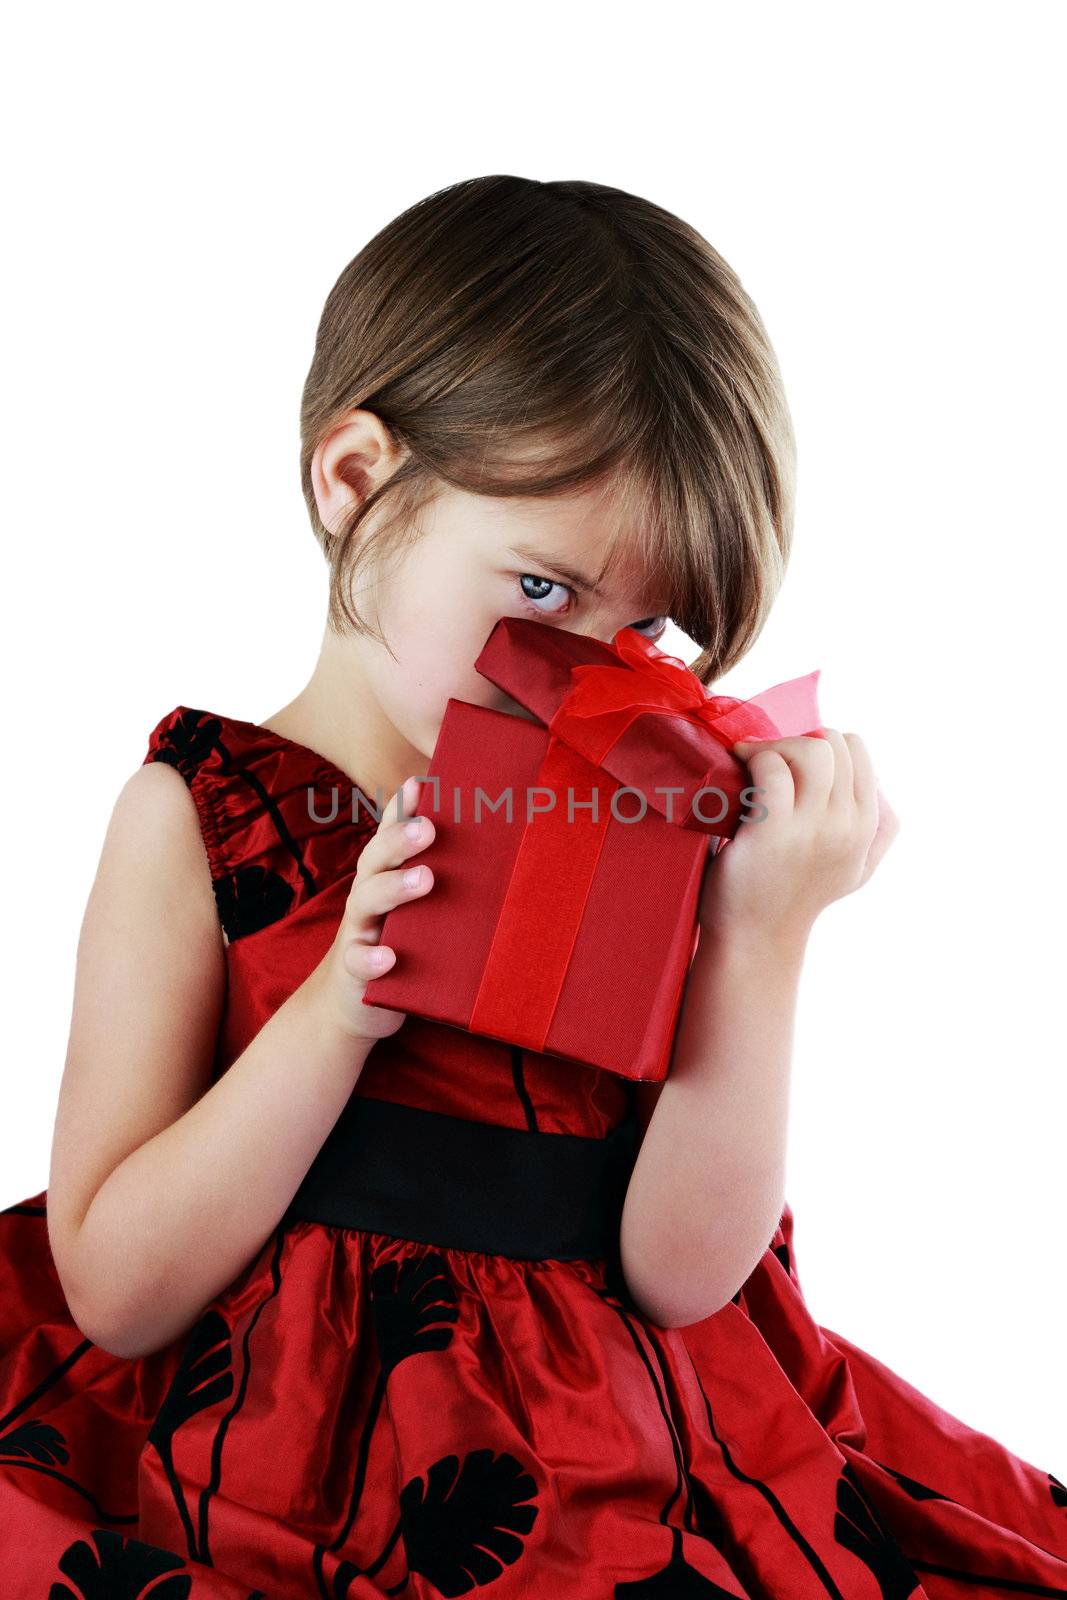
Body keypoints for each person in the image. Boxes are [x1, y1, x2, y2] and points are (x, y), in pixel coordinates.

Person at [1, 174, 1063, 1599]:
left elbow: (683, 1275)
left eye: (657, 629)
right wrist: (339, 1005)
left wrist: (762, 937)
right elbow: (119, 1293)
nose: (590, 670)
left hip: (613, 1472)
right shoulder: (200, 823)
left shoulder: (648, 818)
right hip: (257, 1467)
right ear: (355, 479)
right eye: (546, 594)